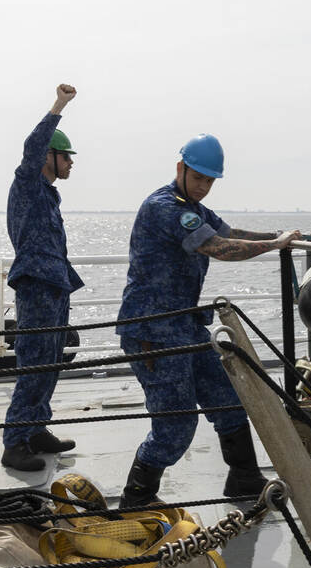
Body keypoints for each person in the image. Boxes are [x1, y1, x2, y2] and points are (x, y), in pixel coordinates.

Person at [118, 134, 301, 507]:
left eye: (210, 180)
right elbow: (218, 248)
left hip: (185, 326)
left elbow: (230, 234)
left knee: (228, 398)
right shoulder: (164, 207)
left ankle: (243, 477)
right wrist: (274, 245)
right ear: (180, 168)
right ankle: (137, 496)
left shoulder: (193, 208)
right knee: (176, 425)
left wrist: (279, 236)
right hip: (152, 331)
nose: (203, 186)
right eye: (198, 177)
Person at [0, 84, 84, 472]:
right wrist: (59, 105)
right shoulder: (28, 183)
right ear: (48, 156)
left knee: (51, 363)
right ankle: (15, 442)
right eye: (66, 156)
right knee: (34, 365)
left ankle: (36, 429)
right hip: (36, 285)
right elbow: (32, 146)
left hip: (55, 286)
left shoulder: (49, 194)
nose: (70, 163)